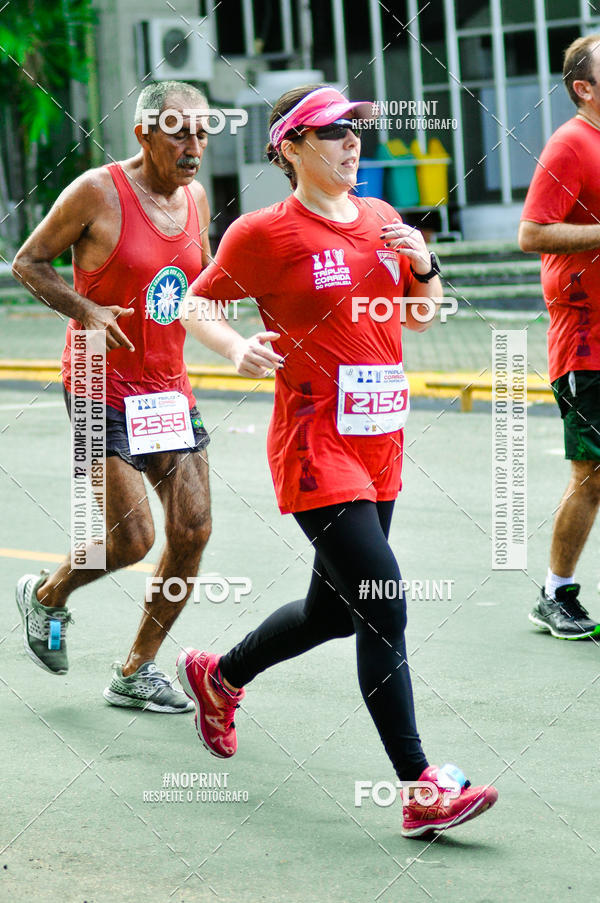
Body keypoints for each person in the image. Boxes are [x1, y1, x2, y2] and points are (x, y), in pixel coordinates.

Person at [176, 84, 498, 837]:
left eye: (356, 129)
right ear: (291, 147)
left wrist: (423, 264)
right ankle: (420, 785)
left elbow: (420, 318)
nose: (352, 142)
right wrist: (237, 347)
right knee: (383, 600)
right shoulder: (264, 233)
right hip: (315, 445)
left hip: (381, 442)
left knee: (335, 611)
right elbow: (197, 301)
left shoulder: (384, 218)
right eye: (332, 132)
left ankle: (218, 676)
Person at [12, 80, 213, 712]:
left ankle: (136, 670)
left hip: (168, 389)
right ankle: (47, 596)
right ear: (144, 133)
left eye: (203, 131)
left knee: (194, 529)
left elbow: (199, 280)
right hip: (101, 384)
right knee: (129, 540)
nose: (194, 144)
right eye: (179, 130)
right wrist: (87, 309)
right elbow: (28, 262)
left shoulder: (197, 199)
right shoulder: (97, 192)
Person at [520, 35, 600, 640]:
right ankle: (555, 592)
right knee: (592, 474)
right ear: (584, 87)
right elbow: (533, 232)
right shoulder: (570, 143)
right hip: (586, 343)